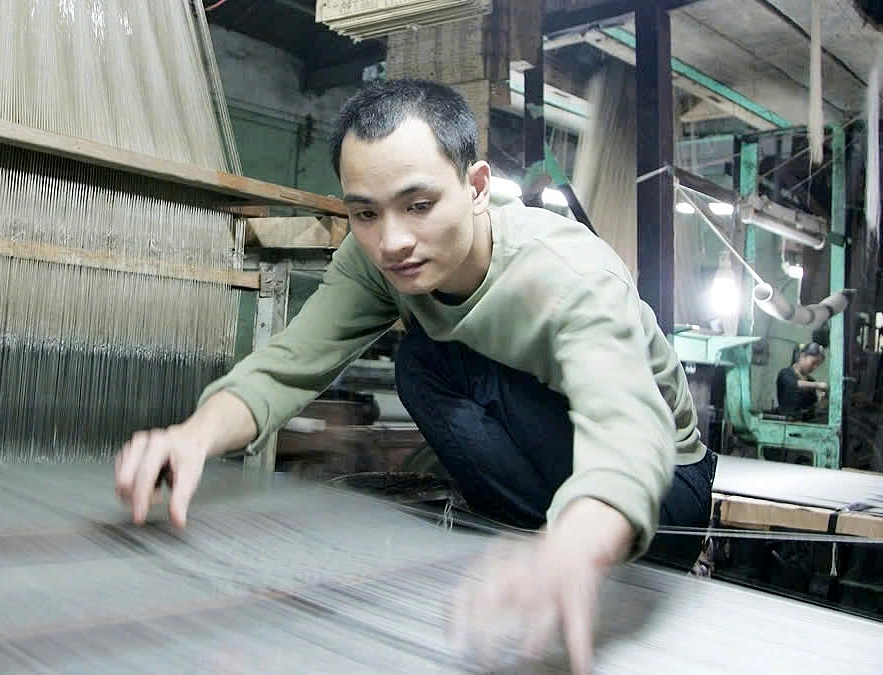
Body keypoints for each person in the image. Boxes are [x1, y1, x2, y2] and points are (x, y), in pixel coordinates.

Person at [115, 79, 717, 673]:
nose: (392, 241)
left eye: (419, 205)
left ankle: (557, 553)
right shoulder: (376, 258)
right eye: (365, 213)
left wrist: (579, 542)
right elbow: (291, 362)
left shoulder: (571, 274)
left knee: (433, 357)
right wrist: (194, 434)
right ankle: (534, 552)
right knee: (425, 359)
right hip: (564, 478)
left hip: (662, 496)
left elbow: (631, 432)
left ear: (477, 187)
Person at [776, 342, 828, 420]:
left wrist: (820, 404)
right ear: (802, 356)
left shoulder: (811, 381)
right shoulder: (785, 373)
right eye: (813, 363)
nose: (814, 367)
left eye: (817, 365)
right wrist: (818, 385)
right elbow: (793, 384)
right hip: (784, 424)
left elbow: (811, 409)